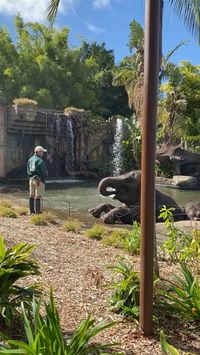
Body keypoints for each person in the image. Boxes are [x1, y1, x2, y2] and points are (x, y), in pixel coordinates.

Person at [27, 146, 48, 214]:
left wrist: (30, 176)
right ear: (38, 152)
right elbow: (44, 172)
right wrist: (43, 178)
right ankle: (38, 212)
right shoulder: (40, 160)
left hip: (31, 179)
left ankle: (31, 211)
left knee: (31, 195)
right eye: (42, 152)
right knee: (38, 196)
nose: (43, 153)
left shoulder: (30, 159)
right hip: (38, 180)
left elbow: (28, 170)